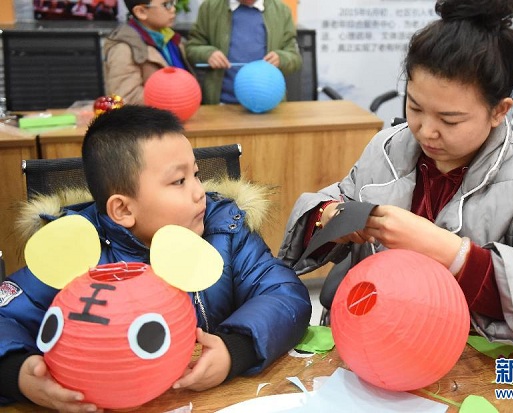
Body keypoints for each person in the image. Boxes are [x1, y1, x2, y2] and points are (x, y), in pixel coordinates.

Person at [279, 0, 513, 347]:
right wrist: (329, 218)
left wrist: (452, 254)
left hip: (465, 358)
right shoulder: (389, 146)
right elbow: (341, 197)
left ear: (498, 111)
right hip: (372, 337)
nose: (425, 131)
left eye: (449, 120)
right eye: (414, 107)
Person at [0, 105, 311, 411]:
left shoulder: (224, 231)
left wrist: (236, 349)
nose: (198, 192)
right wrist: (18, 373)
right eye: (179, 181)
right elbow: (6, 316)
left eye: (196, 175)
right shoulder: (74, 249)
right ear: (122, 209)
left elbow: (285, 294)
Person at [185, 0, 302, 104]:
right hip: (221, 104)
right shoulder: (210, 8)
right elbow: (192, 48)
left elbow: (294, 57)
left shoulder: (281, 10)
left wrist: (281, 58)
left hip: (268, 105)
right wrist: (208, 54)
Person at [103, 0, 194, 105]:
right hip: (151, 119)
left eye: (173, 2)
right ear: (141, 12)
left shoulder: (171, 38)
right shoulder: (123, 48)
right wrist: (174, 100)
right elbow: (126, 98)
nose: (173, 9)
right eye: (166, 5)